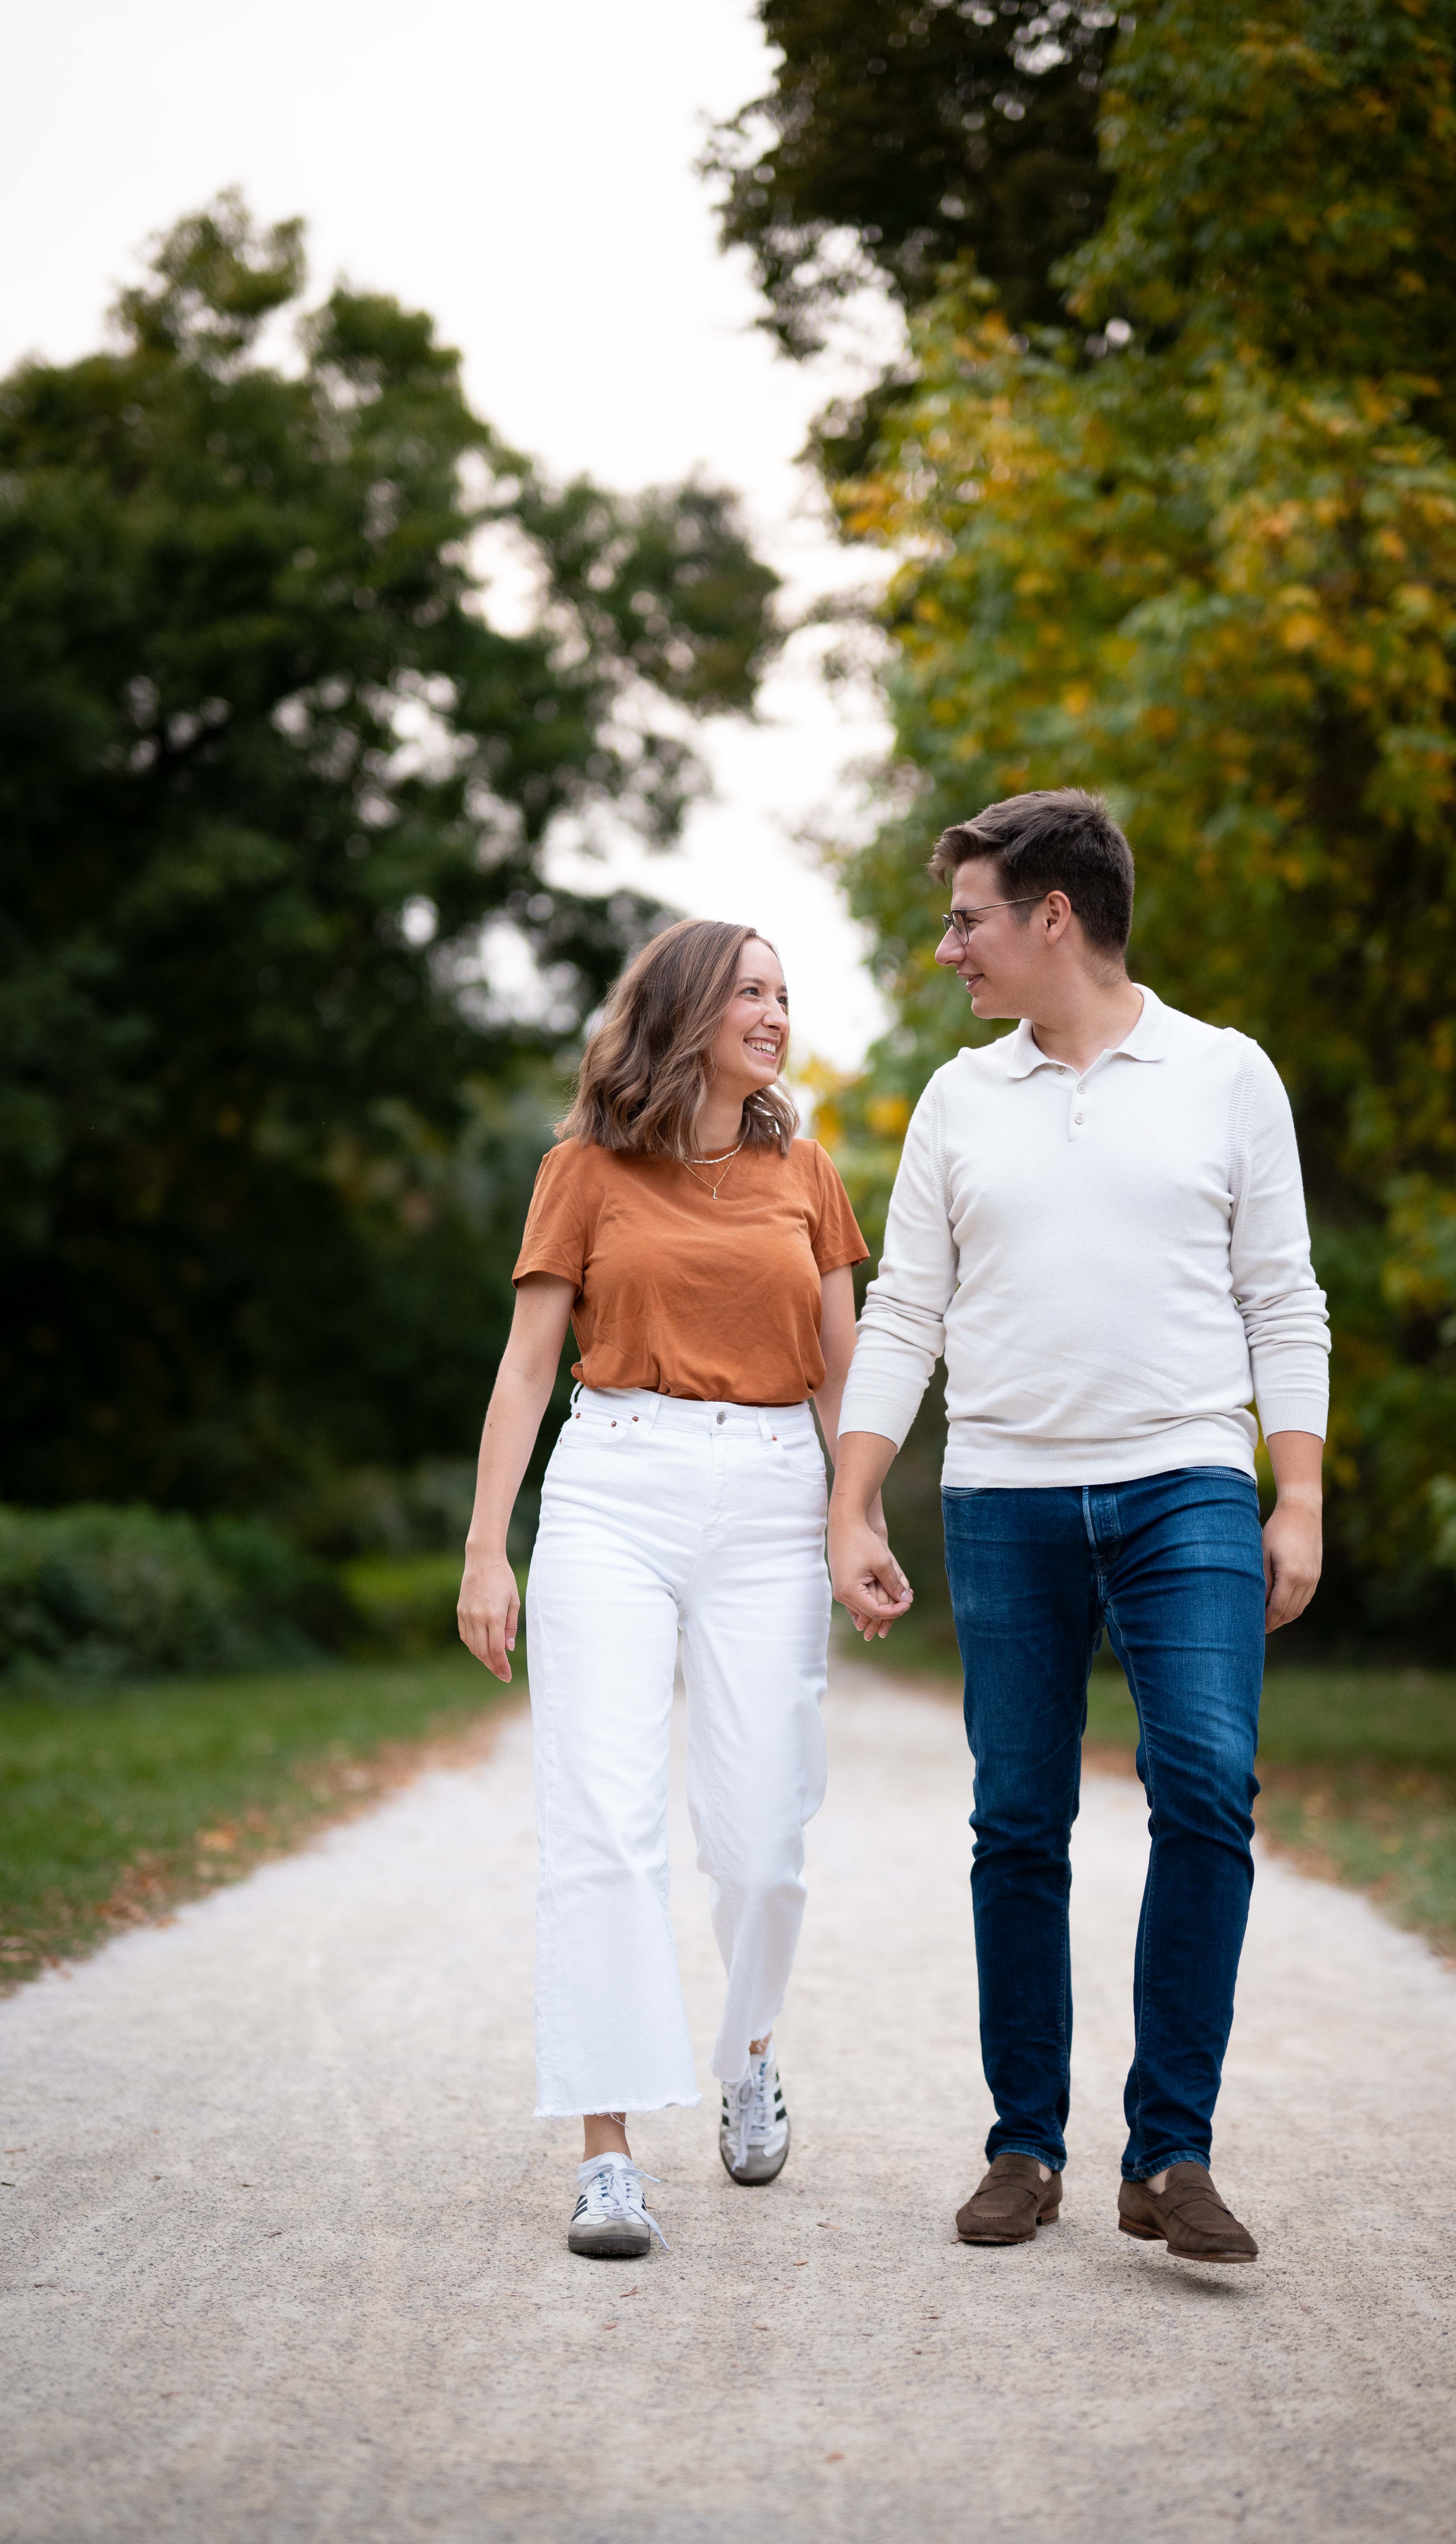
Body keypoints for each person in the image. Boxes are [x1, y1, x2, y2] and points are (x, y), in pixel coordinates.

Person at [828, 790, 1329, 2265]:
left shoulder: (1227, 1074)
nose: (949, 949)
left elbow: (1284, 1297)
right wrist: (853, 1496)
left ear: (1055, 916)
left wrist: (1298, 1493)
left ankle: (1171, 2151)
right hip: (1004, 1497)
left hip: (1187, 1484)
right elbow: (904, 1312)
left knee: (1208, 1785)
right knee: (1017, 1819)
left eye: (967, 919)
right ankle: (1024, 2146)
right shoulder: (958, 1099)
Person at [457, 918, 872, 2261]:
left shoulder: (807, 1172)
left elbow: (841, 1372)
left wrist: (856, 1517)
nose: (776, 1012)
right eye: (751, 991)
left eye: (785, 993)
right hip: (615, 1487)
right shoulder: (582, 1169)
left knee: (762, 1837)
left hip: (771, 1496)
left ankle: (750, 2053)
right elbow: (528, 1367)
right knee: (603, 1822)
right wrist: (487, 1546)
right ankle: (608, 2153)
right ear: (687, 1011)